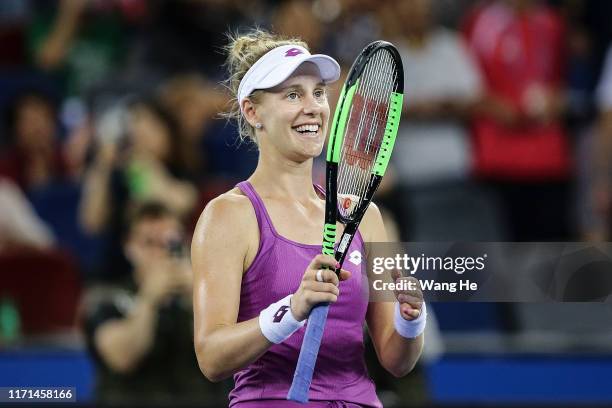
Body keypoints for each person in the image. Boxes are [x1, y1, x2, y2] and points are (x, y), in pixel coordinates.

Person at [192, 30, 426, 407]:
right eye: (292, 95)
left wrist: (411, 320)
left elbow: (396, 360)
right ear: (253, 112)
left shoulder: (365, 217)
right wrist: (292, 309)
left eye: (318, 92)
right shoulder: (228, 216)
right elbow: (211, 356)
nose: (314, 107)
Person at [82, 201, 229, 405]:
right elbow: (122, 357)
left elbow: (228, 357)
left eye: (170, 243)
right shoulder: (105, 297)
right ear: (129, 247)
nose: (160, 253)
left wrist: (198, 295)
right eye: (149, 243)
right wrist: (149, 299)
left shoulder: (207, 295)